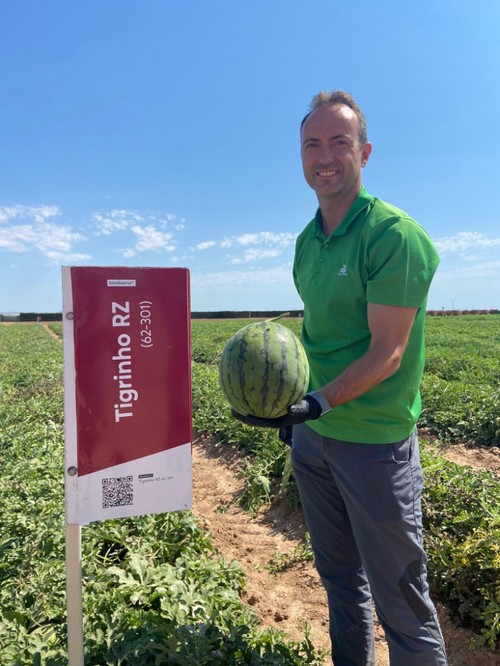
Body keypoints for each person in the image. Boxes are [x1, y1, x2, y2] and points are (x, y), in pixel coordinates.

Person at [233, 90, 448, 665]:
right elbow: (317, 337)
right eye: (312, 144)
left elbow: (388, 351)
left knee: (402, 603)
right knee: (339, 582)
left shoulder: (394, 236)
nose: (324, 155)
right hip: (314, 441)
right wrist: (289, 406)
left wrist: (317, 403)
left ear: (364, 152)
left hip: (375, 446)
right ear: (300, 156)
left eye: (339, 142)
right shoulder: (306, 243)